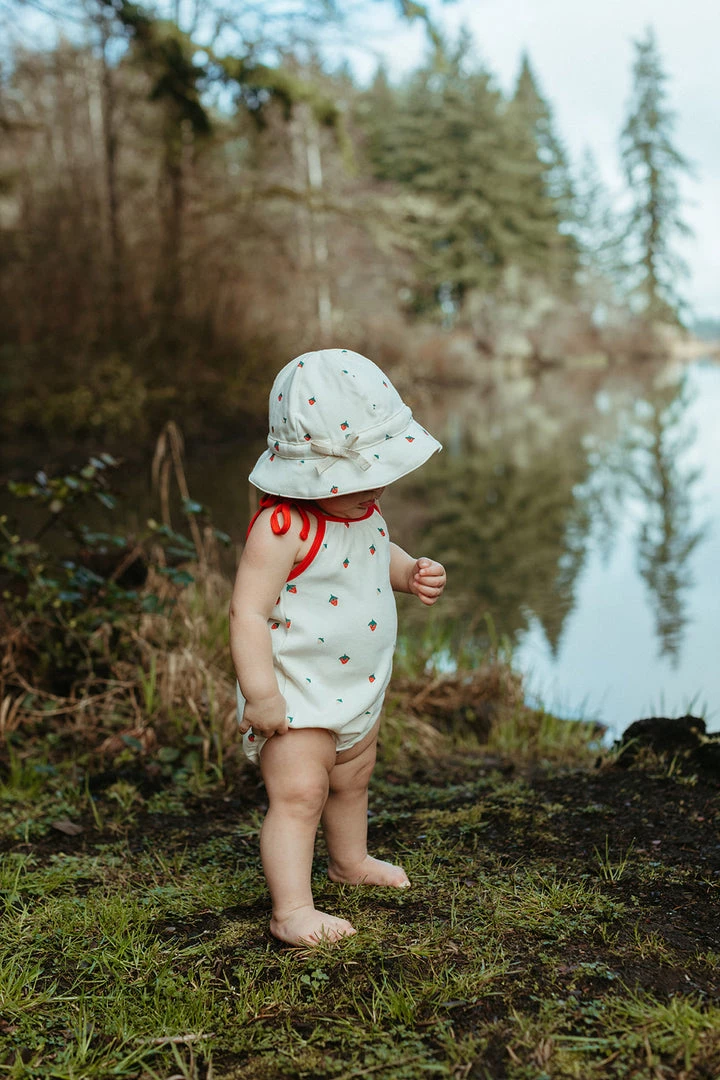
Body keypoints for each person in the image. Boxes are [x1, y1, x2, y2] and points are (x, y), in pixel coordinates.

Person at [229, 348, 446, 946]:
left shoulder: (364, 516)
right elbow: (245, 611)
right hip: (295, 694)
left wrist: (410, 573)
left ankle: (350, 862)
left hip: (357, 687)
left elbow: (377, 555)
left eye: (378, 477)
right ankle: (291, 910)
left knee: (352, 780)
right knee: (300, 795)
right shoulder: (282, 530)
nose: (372, 489)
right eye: (357, 479)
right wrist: (260, 693)